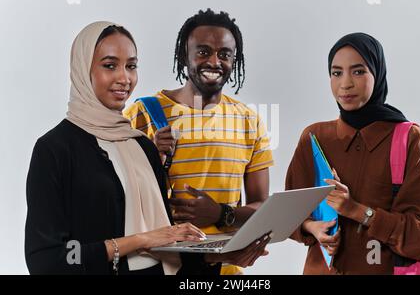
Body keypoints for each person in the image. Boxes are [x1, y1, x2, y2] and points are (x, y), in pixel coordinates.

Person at [25, 21, 270, 275]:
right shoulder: (54, 149)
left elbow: (168, 255)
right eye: (110, 66)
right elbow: (46, 261)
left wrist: (217, 256)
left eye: (131, 66)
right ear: (81, 69)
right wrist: (141, 240)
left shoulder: (142, 147)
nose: (124, 78)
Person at [124, 9, 274, 275]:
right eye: (203, 52)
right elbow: (117, 198)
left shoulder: (250, 121)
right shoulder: (143, 114)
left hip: (226, 271)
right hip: (161, 267)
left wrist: (220, 214)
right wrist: (151, 156)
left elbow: (262, 206)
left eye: (225, 54)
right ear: (185, 56)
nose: (214, 62)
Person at [285, 32, 420, 275]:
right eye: (336, 72)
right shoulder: (314, 137)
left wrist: (358, 211)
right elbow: (288, 213)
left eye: (358, 71)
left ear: (377, 73)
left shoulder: (408, 138)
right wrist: (312, 228)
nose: (345, 83)